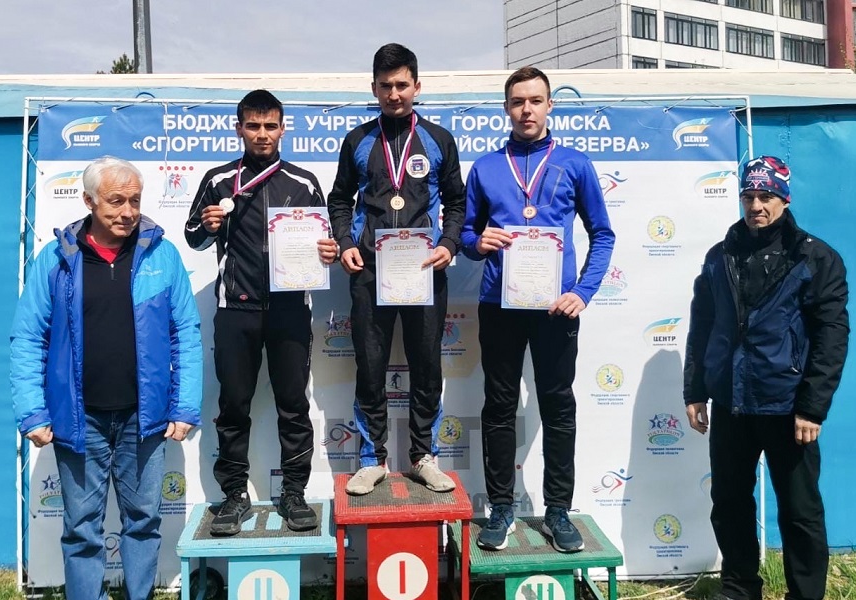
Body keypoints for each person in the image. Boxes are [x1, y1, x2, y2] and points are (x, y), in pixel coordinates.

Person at [10, 156, 202, 600]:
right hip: (79, 421)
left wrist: (185, 406)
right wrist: (32, 412)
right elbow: (28, 337)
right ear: (89, 201)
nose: (127, 211)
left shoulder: (162, 255)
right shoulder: (57, 259)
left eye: (135, 200)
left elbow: (186, 335)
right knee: (82, 529)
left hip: (145, 420)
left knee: (144, 522)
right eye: (116, 201)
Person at [461, 66, 615, 552]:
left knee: (558, 405)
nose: (526, 110)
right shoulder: (486, 167)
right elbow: (465, 233)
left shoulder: (574, 164)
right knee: (499, 406)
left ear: (550, 105)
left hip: (555, 309)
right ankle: (500, 508)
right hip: (499, 305)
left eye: (535, 101)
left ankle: (558, 511)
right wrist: (476, 242)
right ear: (506, 108)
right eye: (517, 102)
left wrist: (583, 292)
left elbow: (603, 234)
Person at [684, 156, 849, 600]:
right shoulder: (720, 255)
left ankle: (805, 594)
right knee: (729, 504)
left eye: (766, 196)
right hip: (731, 404)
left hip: (788, 407)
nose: (756, 205)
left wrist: (813, 406)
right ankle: (739, 589)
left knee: (799, 510)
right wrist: (695, 389)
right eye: (749, 196)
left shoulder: (815, 256)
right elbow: (702, 326)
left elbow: (832, 336)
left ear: (784, 199)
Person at [186, 89, 331, 535]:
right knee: (233, 405)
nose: (262, 134)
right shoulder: (218, 179)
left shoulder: (304, 182)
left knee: (294, 405)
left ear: (283, 129)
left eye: (270, 126)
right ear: (239, 129)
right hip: (236, 310)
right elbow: (192, 236)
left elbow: (325, 241)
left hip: (290, 310)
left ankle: (294, 493)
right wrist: (206, 226)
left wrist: (327, 251)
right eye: (253, 126)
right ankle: (233, 495)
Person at [324, 43, 466, 495]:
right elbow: (339, 199)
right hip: (369, 271)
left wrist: (448, 244)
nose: (394, 94)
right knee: (370, 367)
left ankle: (424, 456)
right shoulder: (358, 140)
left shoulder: (439, 140)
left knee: (427, 366)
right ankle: (372, 459)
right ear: (374, 88)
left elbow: (457, 202)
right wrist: (346, 243)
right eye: (385, 86)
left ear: (417, 86)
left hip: (424, 269)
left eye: (402, 85)